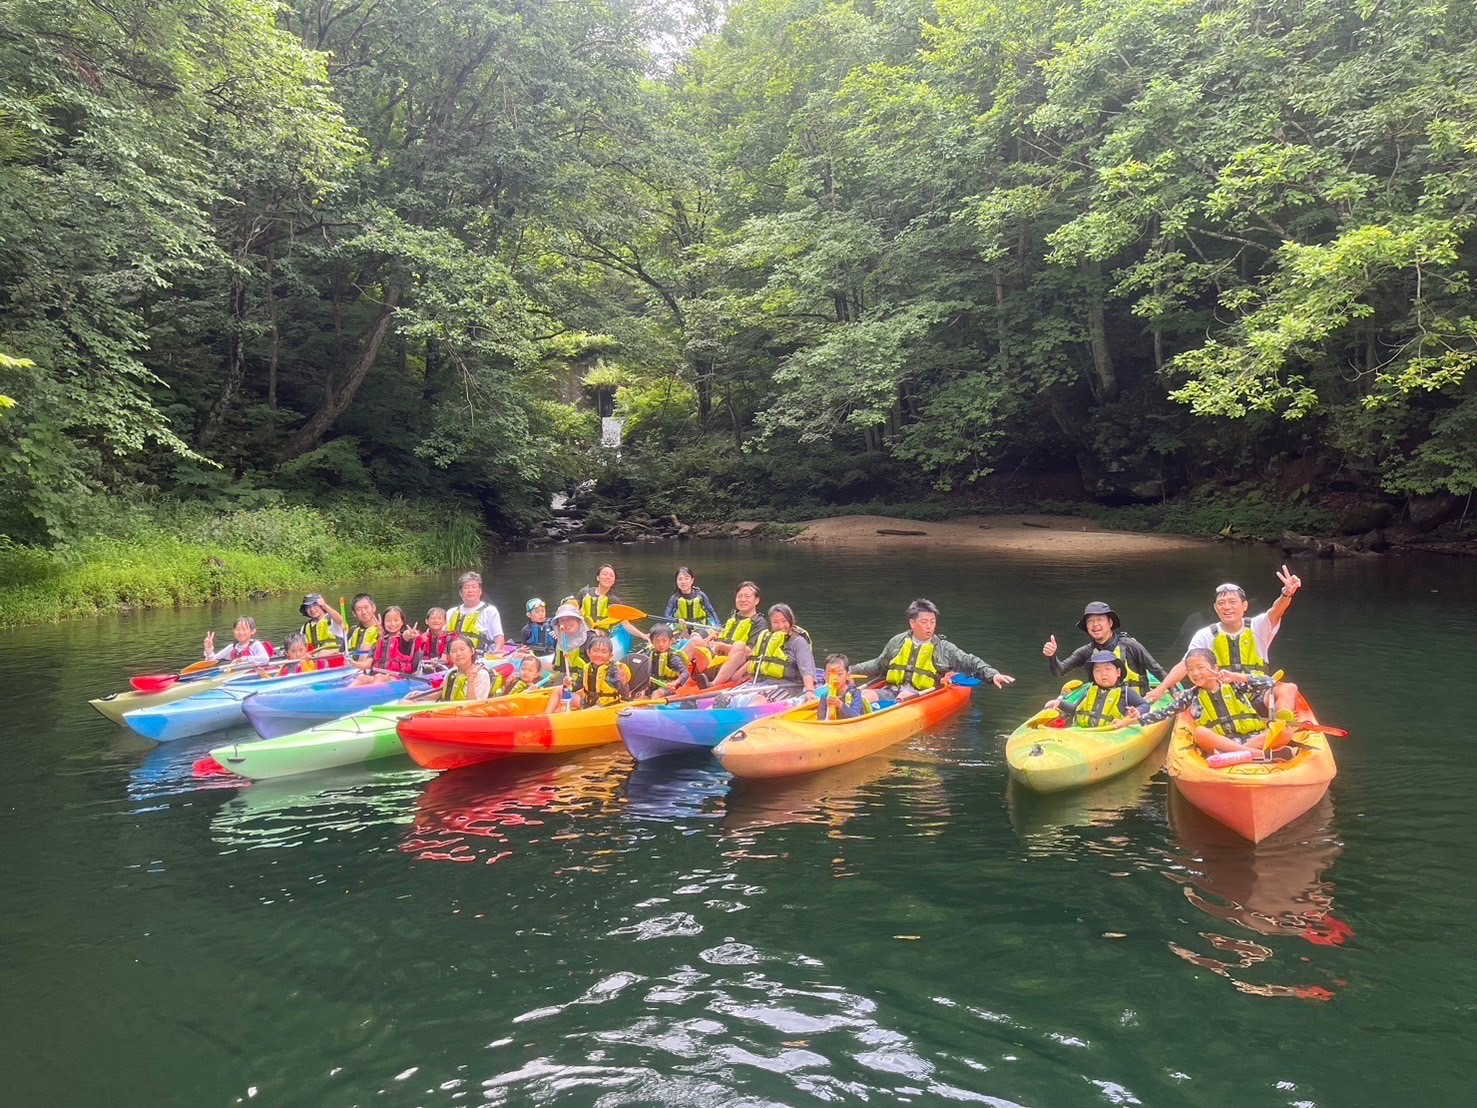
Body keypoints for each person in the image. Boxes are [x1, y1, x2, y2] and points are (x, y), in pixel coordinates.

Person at [1147, 568, 1303, 717]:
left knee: (1289, 688)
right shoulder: (1205, 635)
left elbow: (1277, 610)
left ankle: (1282, 724)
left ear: (1244, 606)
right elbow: (1184, 665)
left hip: (1256, 693)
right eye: (1221, 603)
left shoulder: (1259, 626)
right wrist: (1160, 689)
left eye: (1232, 602)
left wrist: (1287, 593)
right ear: (1216, 608)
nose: (1226, 607)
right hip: (1223, 697)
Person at [852, 598, 1015, 700]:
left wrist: (992, 674)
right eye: (924, 622)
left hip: (922, 695)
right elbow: (879, 665)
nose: (929, 626)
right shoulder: (897, 641)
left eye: (932, 621)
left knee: (903, 696)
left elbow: (970, 661)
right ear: (912, 623)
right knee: (864, 695)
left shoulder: (944, 648)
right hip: (892, 690)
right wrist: (850, 670)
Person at [1128, 648, 1285, 753]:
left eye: (1200, 667)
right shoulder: (1190, 695)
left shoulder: (1235, 685)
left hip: (1252, 738)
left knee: (1285, 730)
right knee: (1201, 733)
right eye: (1190, 670)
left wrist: (1237, 676)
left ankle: (1242, 751)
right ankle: (1252, 753)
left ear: (1215, 668)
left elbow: (1269, 682)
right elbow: (1162, 714)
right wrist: (1128, 721)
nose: (1195, 673)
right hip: (1219, 744)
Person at [1042, 601, 1165, 696]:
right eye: (1090, 621)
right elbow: (1059, 671)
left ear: (1110, 623)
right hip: (1103, 706)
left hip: (1134, 706)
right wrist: (1052, 656)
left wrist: (1173, 691)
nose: (1095, 625)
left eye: (1099, 620)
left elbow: (1157, 670)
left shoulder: (1130, 646)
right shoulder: (1086, 651)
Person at [683, 581, 768, 685]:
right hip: (715, 659)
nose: (742, 599)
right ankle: (673, 677)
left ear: (756, 600)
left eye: (747, 596)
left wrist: (722, 646)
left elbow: (750, 652)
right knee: (695, 641)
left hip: (734, 664)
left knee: (739, 645)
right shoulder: (734, 617)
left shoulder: (759, 622)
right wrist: (712, 636)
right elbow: (722, 634)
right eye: (739, 596)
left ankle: (713, 684)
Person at [1045, 651, 1149, 727]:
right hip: (1083, 734)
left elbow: (1145, 705)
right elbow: (1075, 710)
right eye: (1097, 670)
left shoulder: (1126, 692)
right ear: (1093, 674)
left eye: (1108, 669)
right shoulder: (1089, 691)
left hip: (1109, 735)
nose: (1103, 674)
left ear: (1118, 672)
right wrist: (1059, 703)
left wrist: (1137, 712)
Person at [737, 603, 817, 698]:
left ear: (791, 620)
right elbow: (757, 659)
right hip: (759, 683)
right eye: (775, 622)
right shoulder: (767, 638)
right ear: (771, 623)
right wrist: (738, 675)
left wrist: (809, 691)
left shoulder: (798, 641)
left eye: (784, 621)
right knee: (724, 699)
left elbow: (807, 669)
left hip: (787, 686)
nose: (781, 626)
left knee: (759, 700)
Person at [576, 564, 648, 643]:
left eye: (611, 575)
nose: (608, 577)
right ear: (598, 577)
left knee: (594, 635)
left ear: (613, 581)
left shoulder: (614, 601)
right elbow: (573, 611)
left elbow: (626, 624)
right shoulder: (584, 593)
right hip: (582, 628)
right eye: (605, 574)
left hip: (602, 633)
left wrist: (642, 635)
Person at [568, 631, 633, 709]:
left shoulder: (612, 670)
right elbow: (577, 687)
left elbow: (624, 695)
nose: (599, 655)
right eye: (595, 650)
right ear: (589, 653)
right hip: (588, 703)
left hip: (607, 707)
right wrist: (569, 685)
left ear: (610, 656)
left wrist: (623, 683)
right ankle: (549, 715)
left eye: (604, 652)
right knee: (560, 691)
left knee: (595, 708)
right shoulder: (587, 668)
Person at [446, 571, 504, 653]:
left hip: (479, 655)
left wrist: (497, 651)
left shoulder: (490, 611)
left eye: (474, 587)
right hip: (455, 656)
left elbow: (498, 636)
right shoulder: (451, 612)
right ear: (460, 593)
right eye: (466, 587)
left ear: (480, 591)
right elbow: (443, 636)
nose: (470, 590)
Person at [366, 606, 418, 678]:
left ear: (402, 622)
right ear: (383, 623)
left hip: (397, 678)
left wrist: (410, 634)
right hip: (378, 675)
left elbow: (406, 635)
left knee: (379, 677)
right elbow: (368, 663)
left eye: (396, 620)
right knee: (362, 678)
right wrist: (353, 663)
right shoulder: (379, 641)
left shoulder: (404, 639)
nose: (392, 624)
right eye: (388, 621)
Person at [550, 601, 592, 689]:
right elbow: (556, 668)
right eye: (562, 620)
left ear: (578, 620)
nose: (566, 623)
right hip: (566, 683)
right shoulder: (561, 642)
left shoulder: (591, 640)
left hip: (587, 685)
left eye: (569, 618)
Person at [817, 654, 870, 720]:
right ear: (824, 676)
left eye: (839, 674)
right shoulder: (824, 696)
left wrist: (840, 705)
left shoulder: (855, 693)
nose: (834, 678)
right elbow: (820, 719)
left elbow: (856, 715)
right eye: (829, 674)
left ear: (847, 675)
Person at [664, 567, 718, 631]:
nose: (683, 582)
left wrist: (718, 625)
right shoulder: (674, 598)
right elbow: (667, 615)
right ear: (676, 581)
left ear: (692, 580)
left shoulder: (701, 595)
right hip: (681, 629)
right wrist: (676, 620)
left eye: (686, 579)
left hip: (700, 628)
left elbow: (711, 611)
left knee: (695, 637)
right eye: (680, 579)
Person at [204, 617, 270, 665]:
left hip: (254, 674)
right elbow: (212, 661)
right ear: (233, 631)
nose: (241, 632)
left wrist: (243, 659)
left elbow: (265, 658)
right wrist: (209, 650)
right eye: (237, 629)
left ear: (253, 631)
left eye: (244, 629)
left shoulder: (256, 645)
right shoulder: (231, 647)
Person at [646, 624, 690, 691]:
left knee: (656, 694)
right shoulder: (650, 654)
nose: (661, 644)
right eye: (657, 641)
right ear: (652, 642)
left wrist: (674, 683)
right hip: (653, 684)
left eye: (664, 641)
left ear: (670, 641)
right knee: (639, 690)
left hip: (669, 686)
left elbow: (685, 673)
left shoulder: (673, 657)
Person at [345, 593, 382, 671]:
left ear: (374, 608)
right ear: (354, 613)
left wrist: (382, 635)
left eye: (366, 607)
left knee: (366, 646)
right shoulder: (353, 630)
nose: (364, 612)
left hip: (371, 669)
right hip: (350, 669)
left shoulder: (385, 629)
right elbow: (341, 652)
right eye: (359, 609)